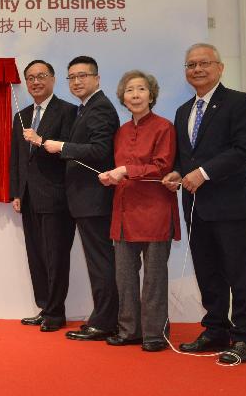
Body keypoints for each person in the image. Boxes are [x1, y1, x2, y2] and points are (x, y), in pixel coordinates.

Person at [161, 43, 246, 364]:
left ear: (220, 67)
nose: (197, 69)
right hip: (195, 207)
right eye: (191, 65)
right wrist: (176, 173)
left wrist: (203, 173)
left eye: (204, 63)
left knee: (240, 273)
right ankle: (216, 329)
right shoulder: (182, 111)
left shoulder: (239, 102)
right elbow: (182, 158)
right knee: (208, 273)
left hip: (232, 205)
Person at [31, 55, 120, 341]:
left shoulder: (101, 109)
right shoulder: (86, 108)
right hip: (83, 199)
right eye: (73, 77)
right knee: (97, 262)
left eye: (83, 76)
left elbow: (100, 151)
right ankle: (101, 317)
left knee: (101, 262)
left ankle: (105, 322)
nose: (77, 82)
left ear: (96, 78)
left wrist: (61, 146)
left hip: (94, 199)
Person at [97, 70, 180, 352]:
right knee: (124, 276)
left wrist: (125, 170)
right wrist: (111, 176)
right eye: (130, 90)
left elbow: (162, 166)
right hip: (123, 211)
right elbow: (121, 169)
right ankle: (129, 330)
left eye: (141, 89)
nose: (135, 94)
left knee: (155, 277)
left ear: (151, 95)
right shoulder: (120, 132)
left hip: (156, 210)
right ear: (123, 97)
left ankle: (155, 334)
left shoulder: (164, 127)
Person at [10, 60, 77, 332]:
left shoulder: (69, 112)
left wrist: (40, 140)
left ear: (52, 79)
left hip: (56, 197)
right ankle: (44, 306)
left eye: (41, 76)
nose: (35, 82)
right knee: (36, 255)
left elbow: (72, 152)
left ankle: (56, 312)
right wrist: (16, 192)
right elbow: (16, 158)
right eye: (30, 78)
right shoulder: (22, 115)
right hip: (28, 198)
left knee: (55, 256)